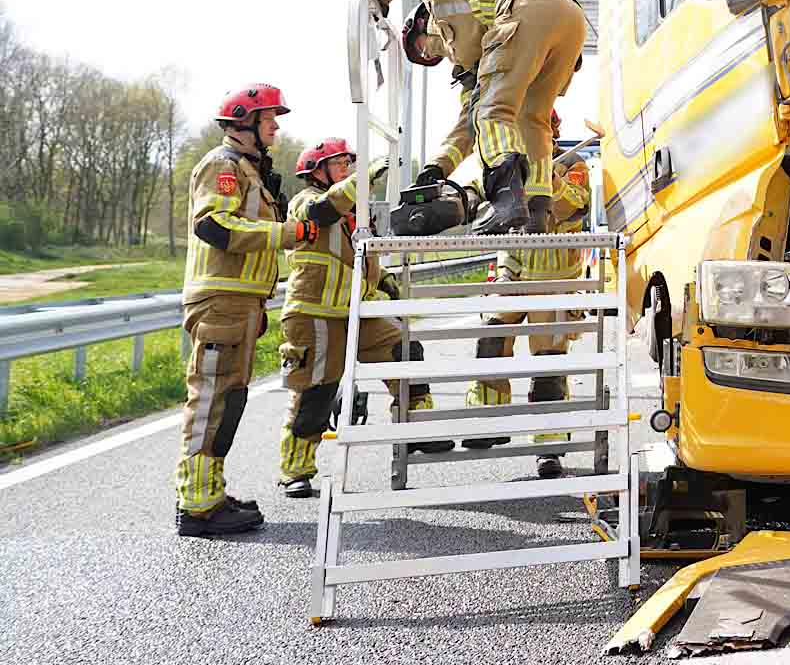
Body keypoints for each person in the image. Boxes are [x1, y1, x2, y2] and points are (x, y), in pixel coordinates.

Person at [364, 0, 587, 234]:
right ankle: (537, 209)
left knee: (493, 112)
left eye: (422, 50)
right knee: (532, 120)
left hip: (524, 5)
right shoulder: (479, 53)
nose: (435, 55)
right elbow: (466, 128)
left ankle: (506, 199)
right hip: (570, 20)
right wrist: (436, 168)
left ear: (421, 26)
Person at [176, 84, 319, 537]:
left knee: (228, 401)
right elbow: (213, 225)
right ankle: (197, 505)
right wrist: (284, 232)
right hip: (220, 300)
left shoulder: (247, 169)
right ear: (245, 123)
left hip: (239, 300)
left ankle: (210, 493)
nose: (276, 127)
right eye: (269, 119)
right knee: (211, 400)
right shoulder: (223, 166)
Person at [277, 139, 451, 498]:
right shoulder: (306, 200)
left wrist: (383, 279)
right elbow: (323, 212)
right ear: (317, 171)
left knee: (406, 353)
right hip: (315, 313)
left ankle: (414, 431)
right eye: (340, 164)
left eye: (350, 163)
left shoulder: (355, 212)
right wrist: (366, 176)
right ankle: (295, 469)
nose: (348, 169)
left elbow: (358, 257)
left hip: (358, 310)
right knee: (316, 391)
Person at [467, 112, 593, 479]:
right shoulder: (509, 162)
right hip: (514, 270)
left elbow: (574, 205)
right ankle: (490, 421)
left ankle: (549, 449)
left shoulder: (572, 164)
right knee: (491, 340)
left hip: (554, 279)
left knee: (548, 365)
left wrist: (544, 172)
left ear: (551, 130)